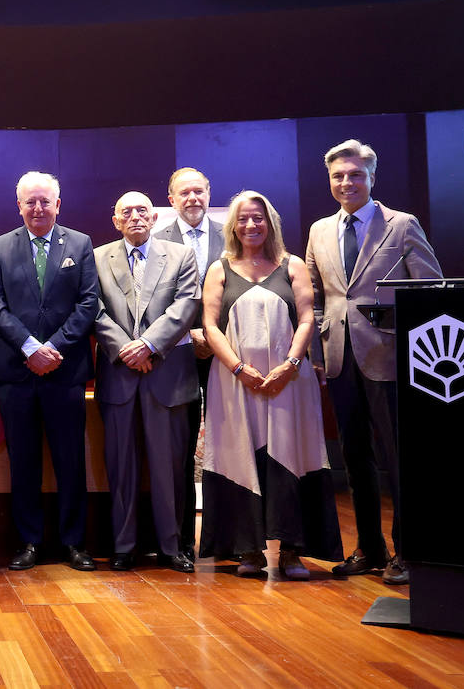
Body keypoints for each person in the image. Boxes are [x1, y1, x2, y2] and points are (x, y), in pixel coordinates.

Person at [305, 139, 441, 585]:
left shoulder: (401, 226)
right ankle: (370, 547)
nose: (347, 182)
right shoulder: (320, 230)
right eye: (339, 176)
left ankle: (409, 550)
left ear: (372, 177)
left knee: (398, 456)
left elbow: (430, 289)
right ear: (330, 182)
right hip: (340, 359)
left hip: (390, 357)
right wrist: (320, 344)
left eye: (355, 175)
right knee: (354, 456)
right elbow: (316, 295)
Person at [199, 191, 342, 579]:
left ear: (270, 223)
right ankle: (248, 548)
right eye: (243, 219)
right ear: (233, 225)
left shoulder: (292, 265)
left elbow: (309, 317)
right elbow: (210, 325)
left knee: (292, 452)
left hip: (288, 381)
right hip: (234, 382)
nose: (251, 225)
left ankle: (293, 549)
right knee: (238, 456)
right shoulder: (220, 268)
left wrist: (290, 365)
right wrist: (238, 367)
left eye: (258, 218)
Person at [0, 171, 100, 571]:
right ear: (19, 205)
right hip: (16, 373)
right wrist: (30, 347)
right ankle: (29, 541)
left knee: (71, 460)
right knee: (24, 461)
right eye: (29, 202)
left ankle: (73, 543)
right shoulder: (0, 247)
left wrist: (53, 347)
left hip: (64, 370)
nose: (37, 208)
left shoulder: (81, 244)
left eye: (44, 201)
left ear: (58, 204)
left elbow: (88, 304)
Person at [93, 191, 199, 573]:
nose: (135, 216)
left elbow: (186, 304)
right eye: (127, 212)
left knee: (169, 467)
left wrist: (149, 345)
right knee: (120, 467)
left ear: (155, 218)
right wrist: (127, 349)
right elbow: (95, 309)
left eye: (142, 210)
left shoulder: (181, 255)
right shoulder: (97, 257)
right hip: (119, 373)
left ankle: (172, 547)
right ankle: (124, 546)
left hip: (166, 373)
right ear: (115, 220)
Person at [154, 167, 223, 558]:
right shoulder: (155, 238)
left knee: (227, 445)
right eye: (185, 193)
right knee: (179, 449)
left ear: (209, 193)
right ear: (171, 199)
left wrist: (211, 336)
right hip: (175, 355)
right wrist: (188, 333)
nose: (193, 198)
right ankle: (181, 539)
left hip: (224, 355)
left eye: (199, 191)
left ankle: (224, 537)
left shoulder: (230, 237)